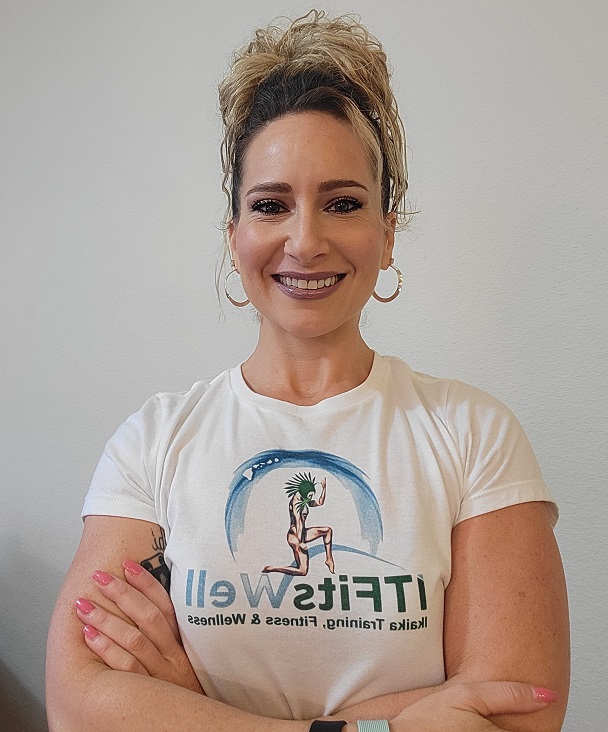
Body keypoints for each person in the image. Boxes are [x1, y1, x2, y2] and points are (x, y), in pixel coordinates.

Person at [45, 10, 569, 732]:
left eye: (343, 204)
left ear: (387, 233)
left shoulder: (473, 434)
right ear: (234, 236)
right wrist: (378, 725)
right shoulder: (154, 441)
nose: (305, 240)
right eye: (271, 205)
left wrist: (196, 707)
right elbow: (77, 706)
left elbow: (516, 714)